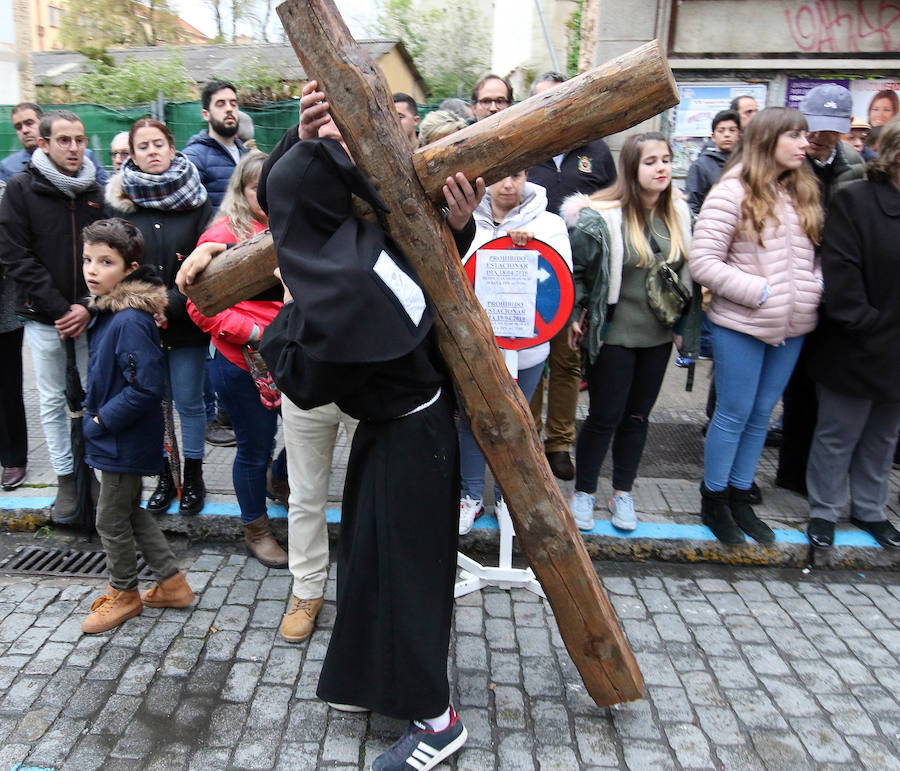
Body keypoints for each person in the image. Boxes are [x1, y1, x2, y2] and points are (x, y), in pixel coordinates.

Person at [258, 79, 481, 769]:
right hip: (401, 430)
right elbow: (412, 250)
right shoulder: (359, 246)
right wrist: (300, 140)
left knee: (407, 575)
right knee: (372, 562)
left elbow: (305, 373)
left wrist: (282, 318)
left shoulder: (339, 283)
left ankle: (437, 721)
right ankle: (367, 677)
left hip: (412, 438)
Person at [690, 107, 823, 545]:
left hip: (792, 326)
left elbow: (815, 259)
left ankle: (739, 496)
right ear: (768, 141)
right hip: (742, 324)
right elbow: (703, 262)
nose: (806, 144)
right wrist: (760, 292)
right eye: (795, 136)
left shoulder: (801, 191)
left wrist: (811, 290)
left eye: (805, 136)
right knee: (733, 412)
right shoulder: (731, 192)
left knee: (762, 414)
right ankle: (714, 500)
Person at [565, 132, 692, 533]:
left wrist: (685, 329)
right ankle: (584, 491)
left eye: (666, 160)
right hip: (614, 334)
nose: (661, 168)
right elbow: (577, 271)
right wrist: (574, 314)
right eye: (651, 161)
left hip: (657, 337)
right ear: (632, 168)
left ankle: (623, 492)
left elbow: (688, 280)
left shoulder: (680, 214)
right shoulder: (601, 216)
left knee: (638, 418)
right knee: (605, 416)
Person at [80, 218, 194, 634]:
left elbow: (145, 386)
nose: (92, 269)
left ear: (129, 268)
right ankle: (172, 584)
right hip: (117, 436)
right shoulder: (112, 311)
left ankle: (125, 594)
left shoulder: (129, 319)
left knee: (109, 520)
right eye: (88, 259)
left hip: (121, 437)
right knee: (128, 511)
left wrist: (99, 420)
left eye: (105, 262)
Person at [184, 151, 289, 568]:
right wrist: (256, 334)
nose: (263, 192)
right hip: (243, 362)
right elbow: (200, 306)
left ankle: (278, 479)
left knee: (304, 442)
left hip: (293, 355)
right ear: (242, 192)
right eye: (254, 185)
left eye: (271, 183)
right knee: (254, 447)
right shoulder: (222, 236)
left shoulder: (294, 225)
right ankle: (256, 528)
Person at [0, 109, 105, 521]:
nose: (74, 148)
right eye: (64, 140)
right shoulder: (22, 191)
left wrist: (87, 306)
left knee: (93, 395)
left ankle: (92, 472)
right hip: (45, 318)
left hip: (89, 316)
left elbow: (110, 254)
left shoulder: (95, 190)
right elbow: (15, 256)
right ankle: (65, 478)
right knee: (51, 400)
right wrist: (61, 309)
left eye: (79, 139)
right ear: (43, 144)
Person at [106, 118, 213, 516]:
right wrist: (144, 309)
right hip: (140, 326)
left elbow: (208, 268)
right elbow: (113, 266)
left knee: (188, 402)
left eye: (159, 144)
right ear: (131, 155)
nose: (152, 152)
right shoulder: (119, 205)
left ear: (172, 147)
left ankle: (195, 473)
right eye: (143, 146)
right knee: (156, 403)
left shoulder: (199, 202)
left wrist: (169, 306)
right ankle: (166, 474)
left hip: (187, 322)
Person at [458, 170, 572, 534]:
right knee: (474, 419)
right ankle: (470, 495)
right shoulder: (463, 217)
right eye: (501, 176)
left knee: (519, 424)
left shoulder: (550, 223)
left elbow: (560, 278)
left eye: (518, 175)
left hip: (526, 348)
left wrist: (529, 248)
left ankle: (511, 498)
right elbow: (456, 268)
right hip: (474, 345)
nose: (509, 184)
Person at [804, 118, 900, 550]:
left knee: (883, 435)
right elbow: (840, 273)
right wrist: (869, 325)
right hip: (856, 342)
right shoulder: (856, 199)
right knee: (838, 432)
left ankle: (870, 510)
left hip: (897, 348)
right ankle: (824, 511)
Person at [526, 72, 617, 481]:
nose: (552, 107)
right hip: (525, 274)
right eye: (543, 100)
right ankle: (526, 440)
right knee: (530, 362)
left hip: (575, 279)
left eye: (560, 98)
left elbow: (612, 209)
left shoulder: (596, 151)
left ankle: (559, 444)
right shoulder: (521, 148)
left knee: (566, 363)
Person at [774, 84, 864, 497]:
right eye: (813, 127)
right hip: (792, 286)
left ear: (844, 128)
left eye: (830, 129)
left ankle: (822, 477)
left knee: (831, 388)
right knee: (796, 387)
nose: (818, 137)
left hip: (838, 290)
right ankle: (790, 473)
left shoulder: (857, 168)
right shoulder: (788, 166)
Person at [0, 103, 109, 185]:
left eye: (29, 123)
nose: (24, 130)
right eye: (18, 127)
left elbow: (105, 195)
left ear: (42, 122)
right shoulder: (8, 167)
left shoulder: (86, 157)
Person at [182, 80, 249, 210]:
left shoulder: (247, 154)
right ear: (206, 114)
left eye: (233, 104)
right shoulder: (194, 157)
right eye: (220, 104)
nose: (229, 109)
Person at [0, 179, 27, 490]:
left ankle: (13, 457)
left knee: (7, 385)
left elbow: (13, 245)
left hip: (3, 312)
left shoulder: (4, 192)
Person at [685, 109, 741, 215]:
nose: (727, 134)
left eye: (732, 130)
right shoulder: (701, 165)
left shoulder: (746, 163)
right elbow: (692, 204)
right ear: (713, 137)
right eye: (721, 130)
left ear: (739, 134)